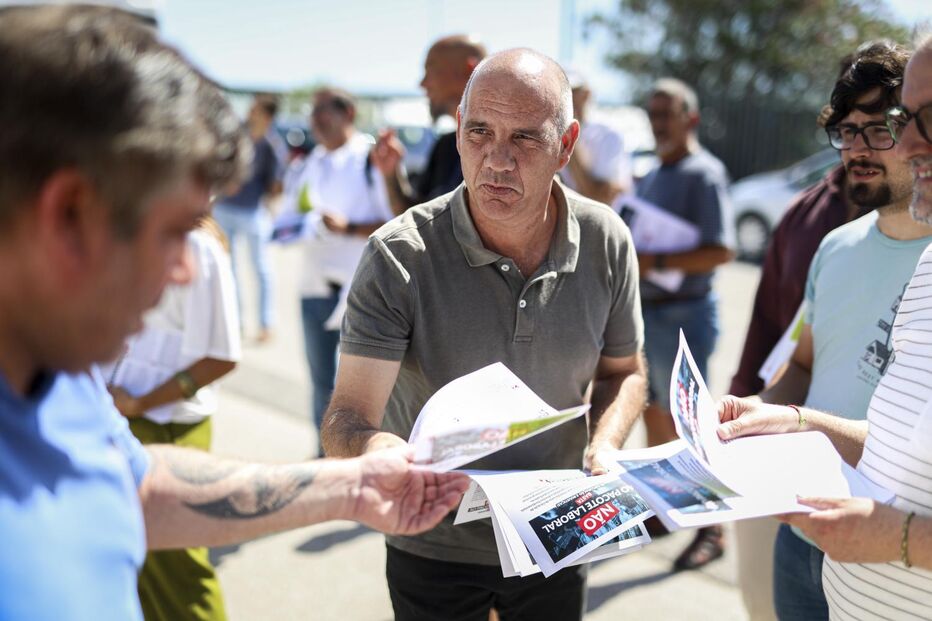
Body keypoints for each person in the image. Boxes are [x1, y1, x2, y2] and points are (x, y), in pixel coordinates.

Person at [0, 7, 470, 621]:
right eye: (173, 233)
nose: (186, 271)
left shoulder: (58, 373)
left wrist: (351, 486)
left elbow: (136, 484)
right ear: (69, 214)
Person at [321, 48, 647, 621]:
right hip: (433, 538)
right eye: (479, 132)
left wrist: (607, 444)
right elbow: (346, 419)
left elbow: (625, 371)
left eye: (524, 138)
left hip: (560, 528)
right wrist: (385, 453)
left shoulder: (607, 239)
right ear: (457, 132)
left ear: (566, 146)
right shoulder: (400, 255)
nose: (496, 160)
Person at [717, 33, 932, 620]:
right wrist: (754, 416)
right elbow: (805, 364)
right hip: (802, 538)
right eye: (846, 132)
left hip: (894, 556)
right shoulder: (834, 247)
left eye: (878, 128)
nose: (857, 149)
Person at [103, 217, 240, 621]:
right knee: (136, 566)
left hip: (167, 427)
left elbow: (222, 357)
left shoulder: (196, 245)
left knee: (179, 575)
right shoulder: (120, 225)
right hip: (118, 418)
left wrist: (140, 403)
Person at [636, 78, 734, 570]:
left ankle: (714, 529)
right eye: (652, 114)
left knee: (693, 423)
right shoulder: (653, 173)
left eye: (666, 114)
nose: (657, 124)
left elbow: (721, 250)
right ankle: (664, 505)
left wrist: (651, 262)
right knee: (655, 413)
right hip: (650, 316)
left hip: (686, 317)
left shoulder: (704, 174)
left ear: (690, 119)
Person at [281, 87, 394, 456]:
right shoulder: (308, 163)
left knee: (363, 393)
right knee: (320, 384)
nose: (314, 121)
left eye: (322, 112)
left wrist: (346, 228)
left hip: (358, 293)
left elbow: (394, 223)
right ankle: (324, 458)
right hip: (314, 286)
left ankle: (364, 462)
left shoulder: (368, 161)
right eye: (312, 113)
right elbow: (285, 216)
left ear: (347, 113)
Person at [371, 35, 486, 214]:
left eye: (430, 70)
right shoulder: (445, 147)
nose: (422, 84)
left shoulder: (507, 147)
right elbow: (416, 221)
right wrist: (390, 174)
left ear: (469, 69)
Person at [213, 94, 282, 343]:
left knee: (261, 269)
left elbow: (275, 184)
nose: (250, 113)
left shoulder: (272, 145)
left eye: (255, 110)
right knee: (227, 269)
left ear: (267, 115)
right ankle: (236, 323)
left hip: (253, 212)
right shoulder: (236, 136)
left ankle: (265, 324)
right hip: (225, 209)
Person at [559, 69, 632, 205]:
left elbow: (597, 197)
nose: (567, 97)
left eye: (573, 91)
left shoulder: (608, 136)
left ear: (587, 94)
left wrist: (567, 139)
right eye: (562, 91)